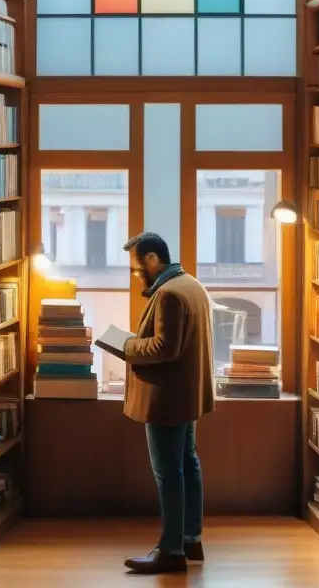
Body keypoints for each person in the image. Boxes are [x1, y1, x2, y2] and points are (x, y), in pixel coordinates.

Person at [120, 232, 215, 574]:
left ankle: (171, 550)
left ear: (151, 260)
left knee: (167, 473)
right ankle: (191, 538)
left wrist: (127, 346)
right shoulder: (191, 284)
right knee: (188, 463)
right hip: (186, 394)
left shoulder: (169, 294)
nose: (136, 275)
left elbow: (164, 348)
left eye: (136, 268)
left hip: (166, 399)